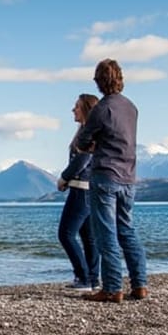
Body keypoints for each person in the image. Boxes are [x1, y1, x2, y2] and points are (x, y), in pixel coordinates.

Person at [76, 58, 148, 303]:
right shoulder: (132, 107)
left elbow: (82, 142)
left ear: (98, 81)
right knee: (127, 231)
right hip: (129, 177)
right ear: (120, 79)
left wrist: (93, 145)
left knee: (106, 233)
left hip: (105, 175)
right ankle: (140, 285)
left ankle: (112, 288)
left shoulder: (101, 109)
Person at [57, 93, 102, 291]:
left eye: (76, 106)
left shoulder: (87, 133)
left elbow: (82, 159)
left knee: (65, 234)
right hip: (89, 191)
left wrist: (64, 177)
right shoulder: (89, 131)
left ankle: (83, 277)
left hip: (81, 191)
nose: (73, 110)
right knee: (89, 238)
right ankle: (93, 279)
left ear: (85, 109)